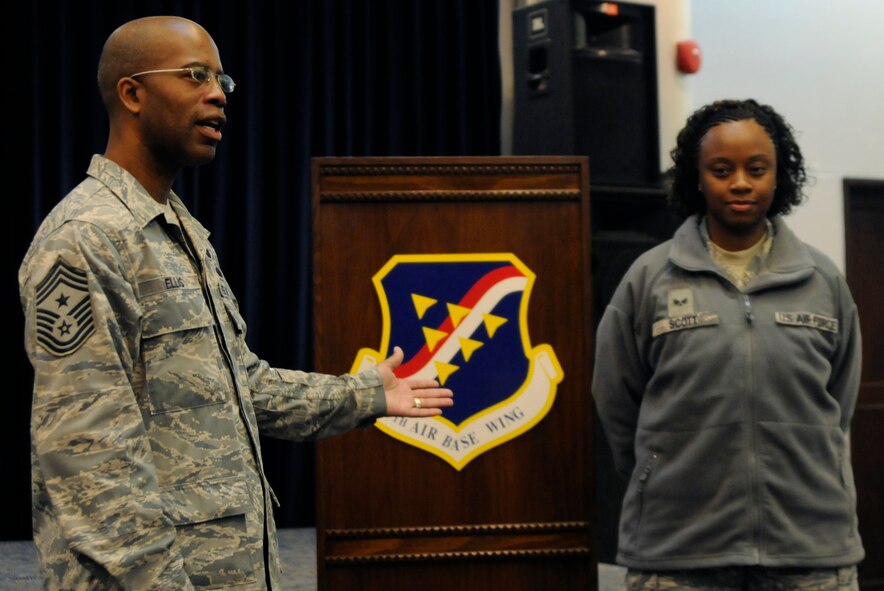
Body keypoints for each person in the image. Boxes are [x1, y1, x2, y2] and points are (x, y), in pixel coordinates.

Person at [18, 16, 453, 591]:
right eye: (196, 75)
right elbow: (87, 458)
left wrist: (366, 394)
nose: (218, 94)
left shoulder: (179, 230)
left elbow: (242, 385)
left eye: (223, 80)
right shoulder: (85, 237)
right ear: (132, 93)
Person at [592, 99, 863, 590]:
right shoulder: (649, 278)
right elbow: (616, 402)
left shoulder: (822, 279)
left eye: (756, 169)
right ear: (697, 178)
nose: (740, 182)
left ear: (778, 176)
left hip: (810, 546)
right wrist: (660, 469)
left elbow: (838, 404)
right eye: (722, 169)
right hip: (678, 549)